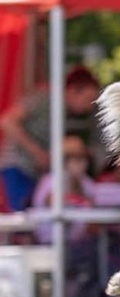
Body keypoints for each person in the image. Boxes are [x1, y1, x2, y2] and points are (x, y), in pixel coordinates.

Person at [0, 65, 101, 210]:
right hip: (18, 166)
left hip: (35, 171)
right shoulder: (43, 97)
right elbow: (7, 122)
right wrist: (37, 153)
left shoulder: (66, 112)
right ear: (73, 90)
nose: (89, 107)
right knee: (22, 217)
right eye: (88, 99)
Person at [33, 135, 103, 297]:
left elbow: (94, 220)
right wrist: (76, 194)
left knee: (106, 252)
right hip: (51, 243)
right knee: (85, 255)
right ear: (64, 162)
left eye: (83, 159)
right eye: (75, 159)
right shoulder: (51, 180)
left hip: (80, 244)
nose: (81, 164)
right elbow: (54, 201)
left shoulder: (87, 183)